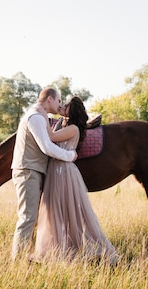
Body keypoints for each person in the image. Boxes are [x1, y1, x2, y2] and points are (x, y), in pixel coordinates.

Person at [33, 96, 118, 264]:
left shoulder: (73, 128)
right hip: (55, 171)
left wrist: (42, 114)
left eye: (66, 106)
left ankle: (92, 250)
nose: (62, 106)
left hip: (63, 172)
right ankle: (57, 249)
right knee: (55, 211)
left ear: (71, 111)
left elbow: (50, 137)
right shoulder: (62, 124)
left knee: (68, 210)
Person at [11, 87, 78, 260]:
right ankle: (17, 262)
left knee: (30, 218)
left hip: (32, 170)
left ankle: (23, 257)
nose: (60, 104)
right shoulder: (35, 117)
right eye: (59, 101)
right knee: (27, 218)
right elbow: (46, 147)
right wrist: (70, 156)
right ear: (50, 99)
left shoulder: (40, 117)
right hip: (28, 171)